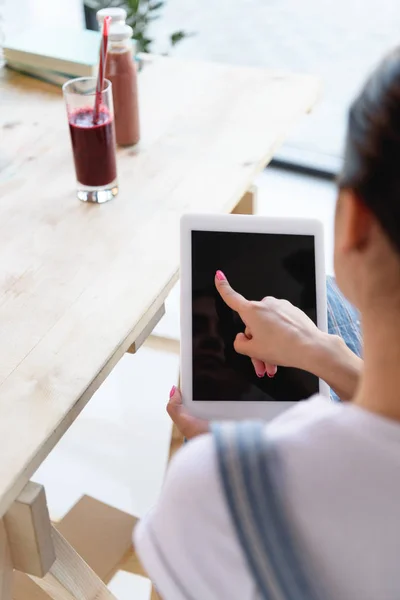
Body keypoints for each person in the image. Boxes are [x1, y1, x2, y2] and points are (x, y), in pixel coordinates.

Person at [134, 47, 400, 600]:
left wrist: (232, 469)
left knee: (323, 296)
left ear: (354, 221)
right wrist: (328, 355)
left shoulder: (218, 491)